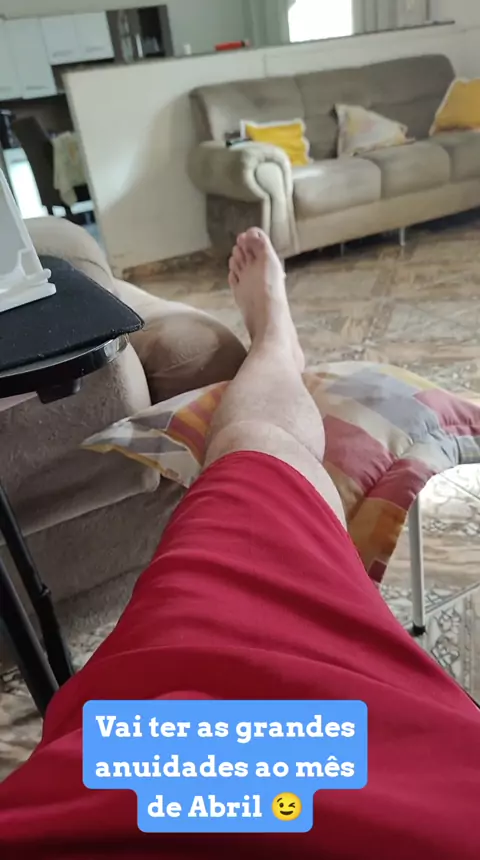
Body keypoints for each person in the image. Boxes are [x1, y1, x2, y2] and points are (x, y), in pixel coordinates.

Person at [0, 228, 479, 859]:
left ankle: (275, 340)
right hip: (401, 781)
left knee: (254, 450)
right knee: (258, 445)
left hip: (121, 777)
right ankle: (276, 339)